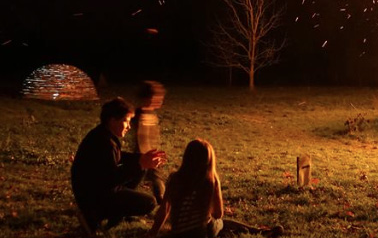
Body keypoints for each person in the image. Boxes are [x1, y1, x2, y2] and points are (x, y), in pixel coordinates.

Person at [148, 139, 282, 238]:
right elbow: (218, 214)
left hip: (178, 233)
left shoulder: (175, 179)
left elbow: (164, 209)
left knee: (220, 223)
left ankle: (258, 231)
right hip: (201, 233)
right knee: (220, 223)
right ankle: (259, 232)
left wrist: (153, 232)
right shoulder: (209, 181)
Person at [71, 97, 167, 234]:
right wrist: (140, 164)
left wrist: (141, 158)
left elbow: (118, 156)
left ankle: (116, 214)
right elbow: (110, 180)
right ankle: (95, 215)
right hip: (91, 196)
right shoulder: (104, 142)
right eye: (126, 121)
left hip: (94, 188)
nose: (129, 126)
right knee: (149, 202)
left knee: (140, 168)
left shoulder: (104, 135)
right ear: (112, 120)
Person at [132, 81, 167, 203]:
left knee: (143, 176)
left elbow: (152, 134)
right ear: (149, 98)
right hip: (145, 154)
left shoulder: (150, 113)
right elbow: (142, 137)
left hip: (150, 153)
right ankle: (162, 198)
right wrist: (147, 154)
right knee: (154, 176)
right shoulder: (141, 115)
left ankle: (126, 193)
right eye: (158, 98)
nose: (160, 101)